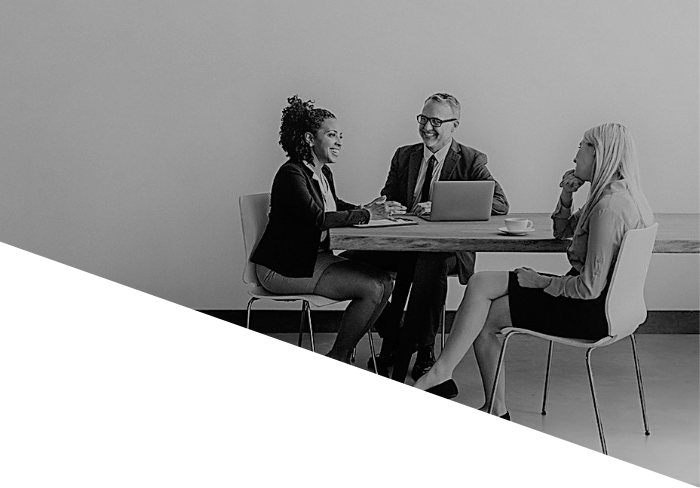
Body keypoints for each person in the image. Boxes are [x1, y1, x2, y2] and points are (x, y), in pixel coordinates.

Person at [412, 122, 655, 420]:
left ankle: (481, 399)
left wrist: (539, 281)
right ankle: (446, 374)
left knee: (486, 318)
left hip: (589, 312)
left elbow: (588, 288)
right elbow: (561, 232)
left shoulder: (608, 209)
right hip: (606, 307)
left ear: (599, 154)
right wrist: (566, 195)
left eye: (581, 146)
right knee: (481, 282)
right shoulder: (612, 197)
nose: (575, 155)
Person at [343, 92, 508, 383]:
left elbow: (499, 204)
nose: (427, 128)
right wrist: (385, 206)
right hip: (403, 243)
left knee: (432, 267)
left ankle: (426, 351)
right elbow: (390, 196)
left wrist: (443, 207)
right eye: (423, 119)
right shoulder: (404, 155)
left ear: (454, 125)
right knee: (347, 261)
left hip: (448, 251)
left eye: (435, 121)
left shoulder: (471, 160)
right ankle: (398, 334)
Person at [251, 95, 398, 365]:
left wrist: (369, 209)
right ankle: (339, 356)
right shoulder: (291, 174)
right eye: (332, 135)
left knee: (386, 282)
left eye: (340, 135)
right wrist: (366, 214)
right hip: (282, 268)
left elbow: (335, 206)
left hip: (311, 258)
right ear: (309, 138)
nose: (339, 141)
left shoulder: (322, 173)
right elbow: (318, 218)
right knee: (373, 287)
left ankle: (346, 351)